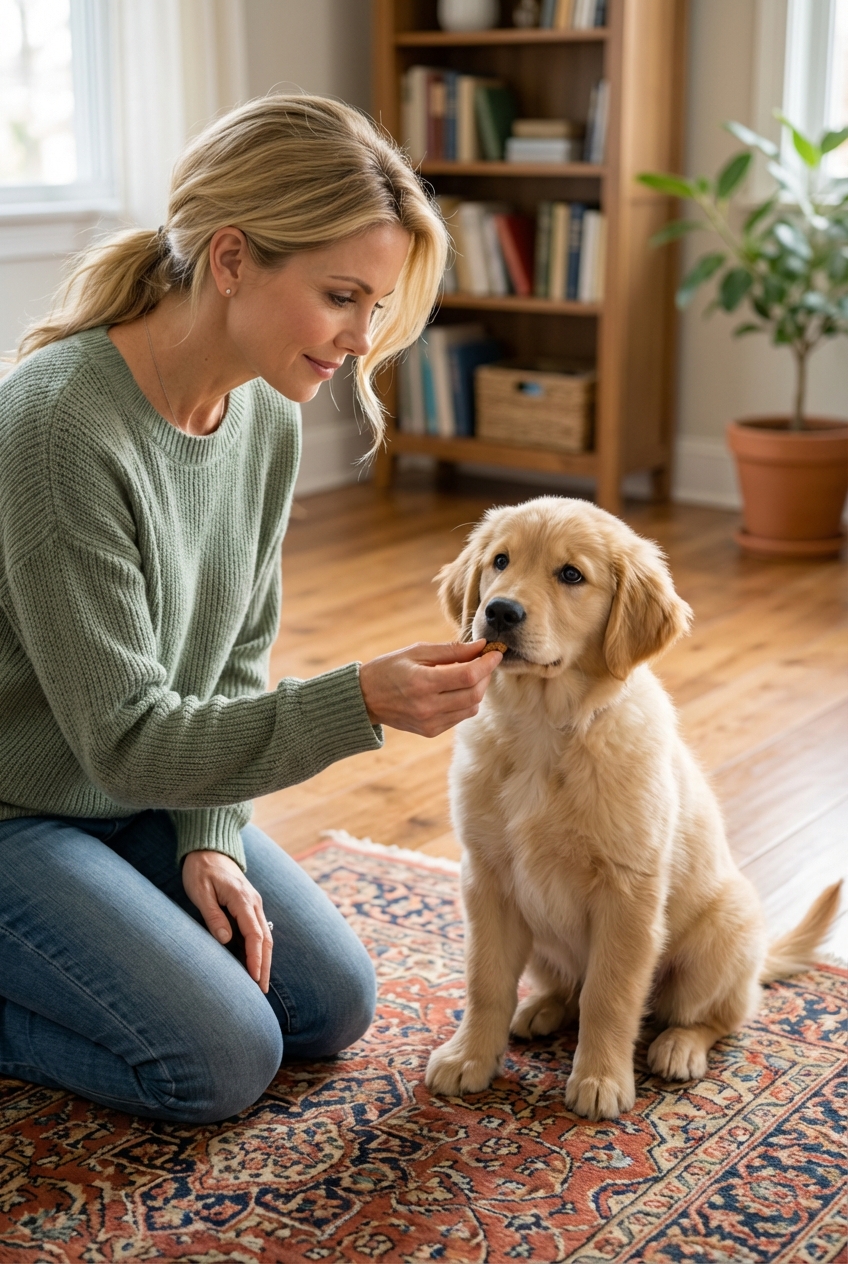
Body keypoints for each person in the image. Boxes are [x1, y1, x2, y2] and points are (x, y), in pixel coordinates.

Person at [0, 96, 501, 1123]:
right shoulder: (58, 428)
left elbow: (229, 664)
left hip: (122, 789)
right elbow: (129, 739)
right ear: (231, 259)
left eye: (377, 305)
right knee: (218, 1062)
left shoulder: (265, 415)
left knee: (329, 1004)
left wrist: (212, 834)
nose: (360, 339)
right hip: (20, 806)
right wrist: (359, 700)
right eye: (341, 296)